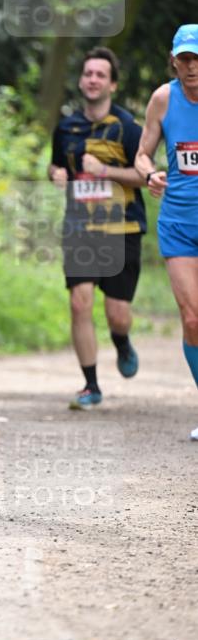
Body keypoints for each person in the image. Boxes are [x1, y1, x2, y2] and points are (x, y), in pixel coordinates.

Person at [48, 47, 147, 410]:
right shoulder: (66, 127)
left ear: (113, 84)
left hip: (122, 226)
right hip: (81, 226)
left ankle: (121, 341)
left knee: (117, 313)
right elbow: (56, 166)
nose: (93, 79)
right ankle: (90, 385)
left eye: (100, 75)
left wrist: (105, 171)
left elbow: (142, 175)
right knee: (80, 301)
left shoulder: (129, 128)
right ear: (81, 80)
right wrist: (55, 174)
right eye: (88, 73)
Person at [134, 24, 198, 441]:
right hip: (178, 221)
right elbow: (142, 154)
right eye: (185, 58)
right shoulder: (163, 98)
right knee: (193, 318)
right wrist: (151, 174)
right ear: (173, 60)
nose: (192, 67)